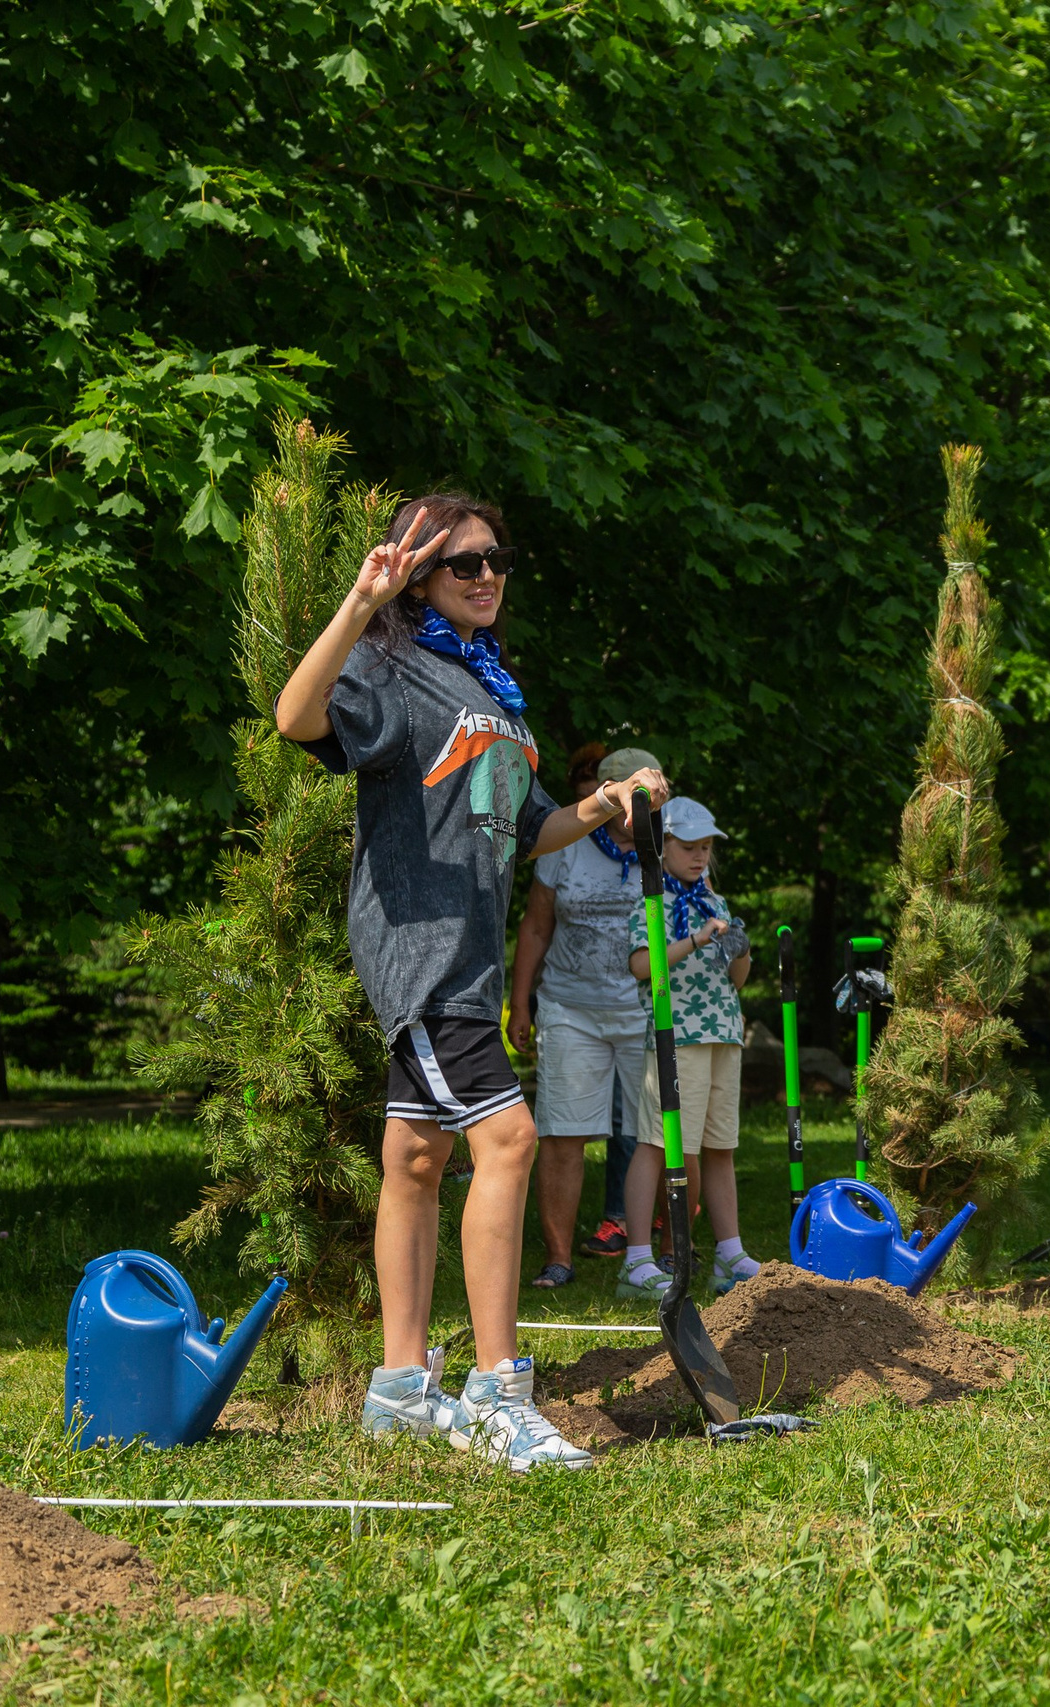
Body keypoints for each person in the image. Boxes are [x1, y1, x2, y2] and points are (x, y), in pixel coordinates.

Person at [275, 494, 665, 1472]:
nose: (488, 575)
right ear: (418, 576)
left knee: (413, 1160)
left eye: (498, 559)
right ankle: (499, 1391)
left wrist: (605, 804)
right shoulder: (391, 663)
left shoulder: (485, 684)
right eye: (464, 564)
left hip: (469, 958)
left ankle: (401, 1388)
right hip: (421, 950)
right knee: (509, 1138)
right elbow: (295, 718)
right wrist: (361, 604)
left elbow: (529, 825)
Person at [509, 745, 666, 1286]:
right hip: (570, 1007)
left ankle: (649, 1251)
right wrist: (520, 1001)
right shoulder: (567, 842)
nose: (640, 807)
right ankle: (559, 1257)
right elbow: (534, 927)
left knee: (654, 1131)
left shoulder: (670, 845)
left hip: (645, 1010)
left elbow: (699, 910)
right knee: (564, 1134)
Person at [621, 797, 763, 1296]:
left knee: (720, 1147)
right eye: (689, 847)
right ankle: (636, 1260)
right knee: (658, 1144)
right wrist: (699, 941)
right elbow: (642, 966)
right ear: (663, 848)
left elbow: (735, 980)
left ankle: (730, 1255)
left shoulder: (715, 903)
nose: (700, 856)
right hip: (675, 1035)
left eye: (706, 847)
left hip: (723, 1032)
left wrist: (738, 950)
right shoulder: (651, 900)